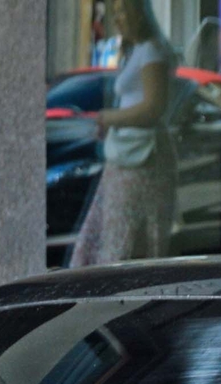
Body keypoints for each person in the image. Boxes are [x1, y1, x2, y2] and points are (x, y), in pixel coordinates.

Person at [69, 0, 178, 267]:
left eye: (123, 13)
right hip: (129, 156)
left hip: (140, 160)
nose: (117, 20)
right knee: (115, 230)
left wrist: (110, 118)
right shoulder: (139, 50)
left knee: (124, 234)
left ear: (140, 15)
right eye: (115, 13)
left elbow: (153, 108)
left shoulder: (152, 50)